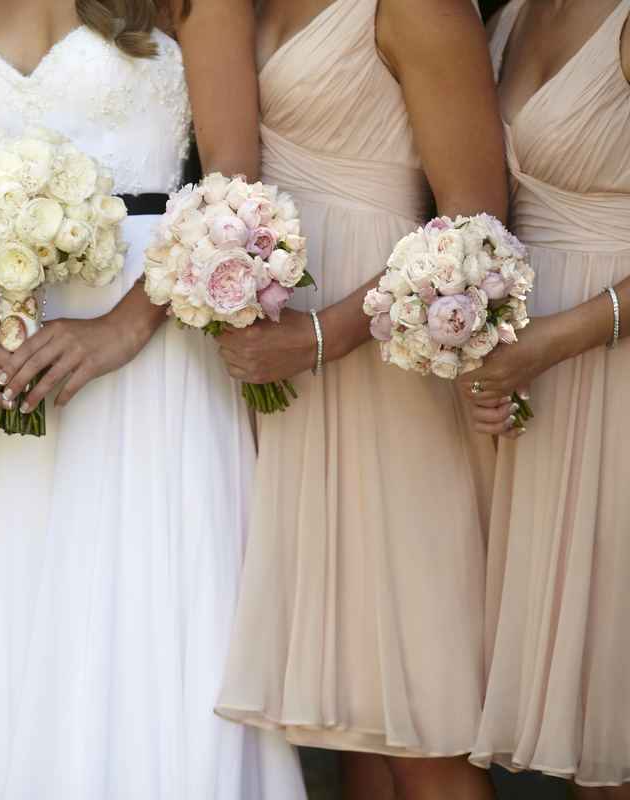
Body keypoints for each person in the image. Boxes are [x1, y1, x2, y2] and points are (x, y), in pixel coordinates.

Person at [0, 0, 307, 797]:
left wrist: (127, 328)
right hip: (25, 351)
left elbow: (232, 176)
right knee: (34, 618)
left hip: (158, 330)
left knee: (158, 613)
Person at [214, 1, 507, 798]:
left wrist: (323, 337)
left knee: (419, 716)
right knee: (353, 720)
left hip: (384, 360)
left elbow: (476, 220)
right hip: (287, 373)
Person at [465, 2, 630, 795]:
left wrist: (556, 340)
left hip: (611, 373)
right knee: (583, 695)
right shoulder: (514, 15)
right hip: (541, 384)